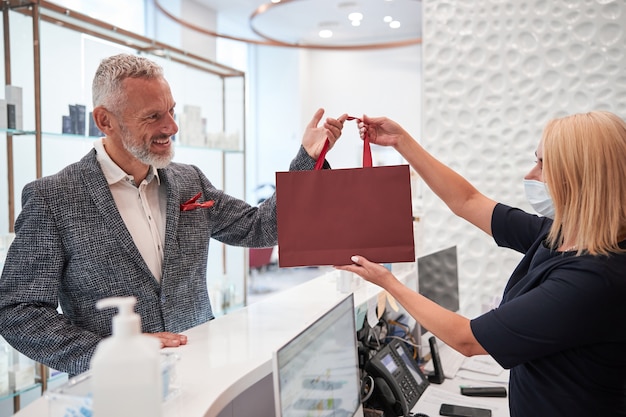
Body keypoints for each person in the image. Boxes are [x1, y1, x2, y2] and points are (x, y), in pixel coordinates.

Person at [0, 53, 348, 376]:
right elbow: (18, 311)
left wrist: (307, 159)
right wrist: (109, 352)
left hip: (199, 373)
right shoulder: (53, 197)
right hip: (115, 389)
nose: (172, 126)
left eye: (171, 111)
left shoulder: (188, 180)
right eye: (153, 116)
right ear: (105, 120)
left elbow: (260, 228)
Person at [336, 111, 626, 417]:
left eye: (542, 164)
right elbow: (467, 201)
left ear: (580, 178)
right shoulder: (559, 235)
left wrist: (389, 282)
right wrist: (401, 142)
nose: (530, 174)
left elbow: (467, 339)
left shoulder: (594, 279)